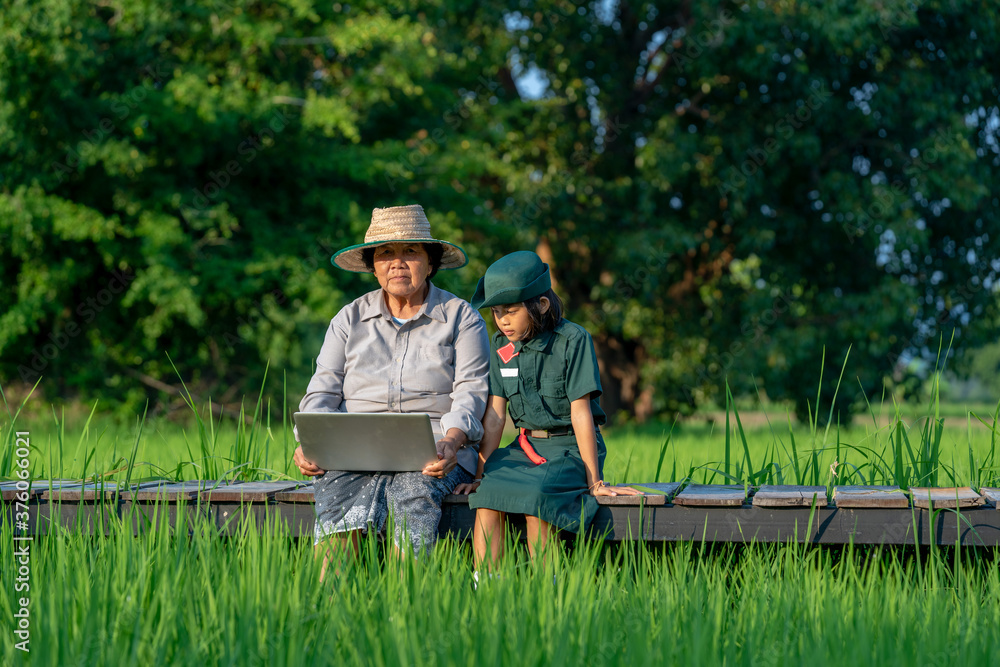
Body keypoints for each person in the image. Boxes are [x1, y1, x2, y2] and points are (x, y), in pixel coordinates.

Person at [292, 204, 489, 575]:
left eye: (410, 252)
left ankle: (405, 607)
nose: (397, 263)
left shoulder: (462, 317)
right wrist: (310, 441)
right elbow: (322, 391)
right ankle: (326, 614)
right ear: (374, 267)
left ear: (430, 263)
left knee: (412, 494)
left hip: (434, 452)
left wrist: (452, 440)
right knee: (336, 503)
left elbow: (471, 392)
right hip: (353, 451)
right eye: (385, 254)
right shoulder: (348, 319)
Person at [454, 251, 639, 572]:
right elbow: (496, 415)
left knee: (537, 502)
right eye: (496, 312)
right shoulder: (501, 347)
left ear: (540, 305)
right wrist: (481, 474)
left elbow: (581, 413)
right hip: (524, 448)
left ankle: (547, 593)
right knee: (486, 499)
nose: (502, 321)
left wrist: (595, 482)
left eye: (511, 311)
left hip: (569, 448)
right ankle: (485, 590)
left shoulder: (572, 339)